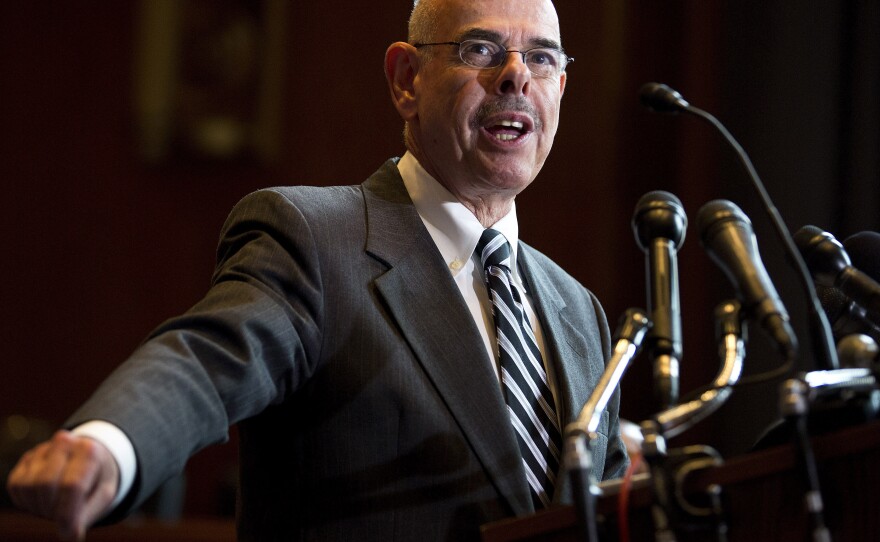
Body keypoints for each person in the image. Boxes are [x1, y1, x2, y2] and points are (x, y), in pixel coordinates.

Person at [6, 0, 628, 540]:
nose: (516, 76)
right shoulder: (314, 239)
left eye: (542, 58)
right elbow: (211, 358)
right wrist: (111, 443)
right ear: (406, 79)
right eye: (480, 49)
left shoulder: (581, 313)